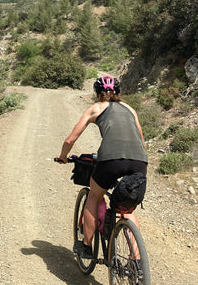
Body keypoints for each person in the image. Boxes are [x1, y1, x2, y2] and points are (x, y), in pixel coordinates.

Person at [56, 75, 148, 259]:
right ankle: (136, 262)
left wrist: (63, 157)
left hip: (111, 160)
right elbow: (141, 140)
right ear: (118, 92)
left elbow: (70, 139)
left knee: (94, 197)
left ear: (98, 94)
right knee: (126, 208)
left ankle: (87, 246)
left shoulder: (96, 108)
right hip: (140, 159)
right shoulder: (130, 109)